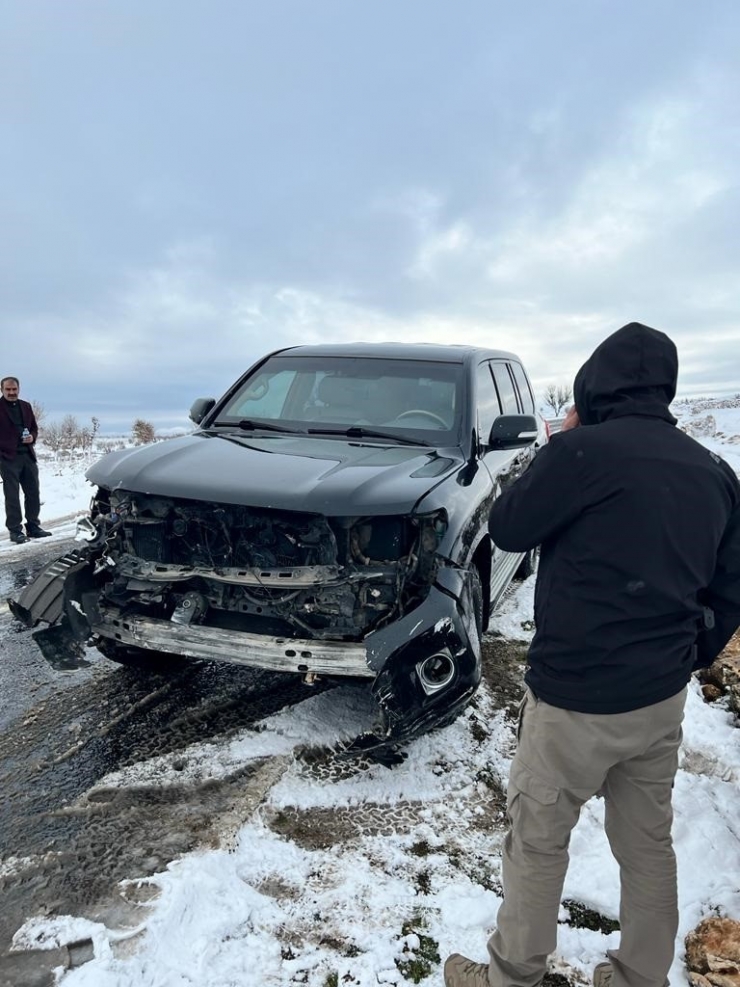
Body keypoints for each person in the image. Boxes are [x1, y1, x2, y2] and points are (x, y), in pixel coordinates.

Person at [444, 322, 740, 987]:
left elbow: (510, 526)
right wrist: (688, 652)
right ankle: (637, 978)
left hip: (572, 699)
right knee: (646, 846)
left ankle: (510, 976)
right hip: (659, 701)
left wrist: (565, 444)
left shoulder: (580, 454)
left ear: (592, 386)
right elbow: (731, 585)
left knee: (538, 840)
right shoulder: (714, 471)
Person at [0, 376, 52, 544]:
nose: (11, 392)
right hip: (8, 458)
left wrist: (32, 437)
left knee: (33, 493)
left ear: (19, 389)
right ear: (2, 390)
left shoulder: (26, 406)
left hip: (27, 456)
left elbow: (34, 428)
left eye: (14, 389)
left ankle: (33, 527)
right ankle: (15, 531)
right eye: (8, 389)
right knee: (12, 496)